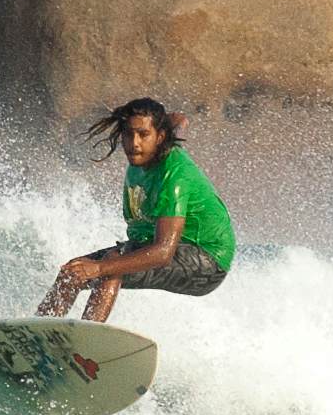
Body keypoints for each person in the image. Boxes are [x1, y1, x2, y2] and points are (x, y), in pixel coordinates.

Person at [36, 97, 237, 321]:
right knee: (71, 272)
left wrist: (100, 268)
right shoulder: (147, 153)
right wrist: (175, 121)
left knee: (112, 266)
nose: (135, 143)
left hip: (206, 262)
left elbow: (163, 252)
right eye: (129, 134)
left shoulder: (174, 177)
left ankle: (87, 343)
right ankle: (35, 333)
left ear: (160, 137)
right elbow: (176, 121)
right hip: (158, 245)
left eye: (143, 135)